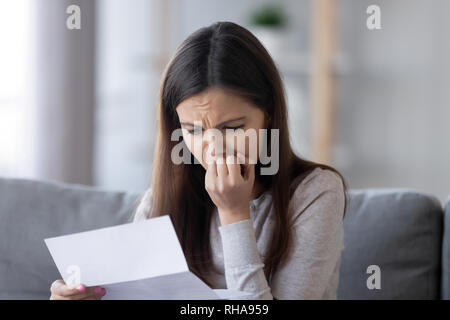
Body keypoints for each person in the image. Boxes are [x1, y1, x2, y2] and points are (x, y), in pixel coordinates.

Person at [50, 21, 347, 300]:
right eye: (193, 130)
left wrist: (233, 213)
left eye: (232, 128)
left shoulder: (316, 192)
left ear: (268, 115)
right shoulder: (161, 200)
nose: (213, 147)